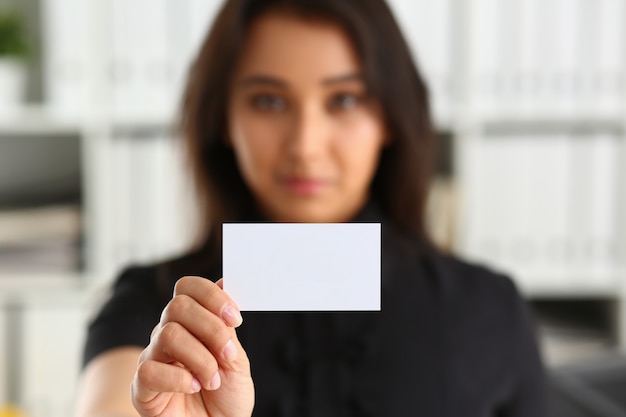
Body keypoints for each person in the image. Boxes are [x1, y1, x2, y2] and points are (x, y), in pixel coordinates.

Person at [74, 0, 548, 416]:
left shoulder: (488, 307)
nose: (306, 145)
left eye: (343, 100)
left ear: (390, 117)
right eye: (269, 101)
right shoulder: (155, 305)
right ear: (223, 118)